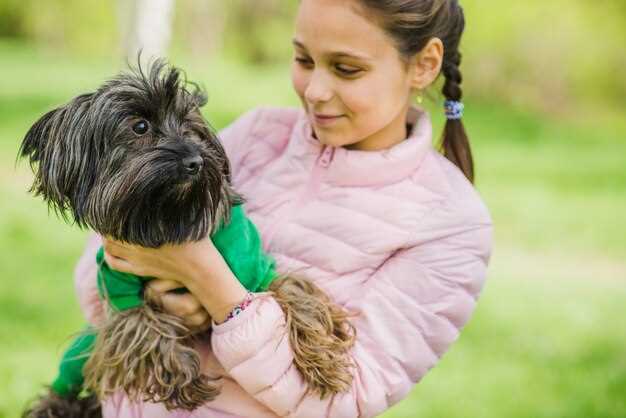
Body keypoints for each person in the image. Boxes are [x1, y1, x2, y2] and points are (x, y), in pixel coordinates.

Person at [75, 0, 493, 416]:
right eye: (303, 59)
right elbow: (94, 277)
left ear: (423, 64)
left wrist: (211, 285)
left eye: (346, 68)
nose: (315, 91)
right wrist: (147, 299)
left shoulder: (449, 223)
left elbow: (343, 398)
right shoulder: (257, 135)